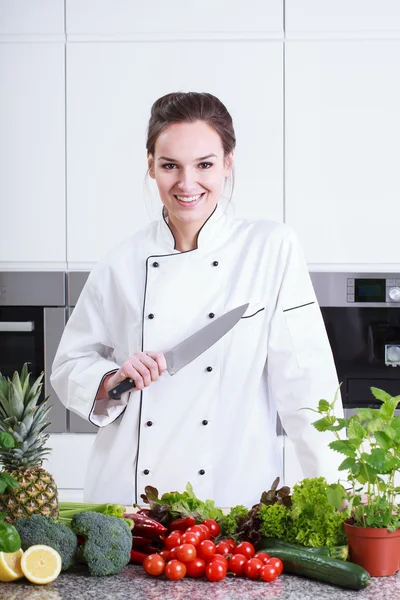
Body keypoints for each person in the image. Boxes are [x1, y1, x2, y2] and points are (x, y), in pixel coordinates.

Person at [51, 91, 344, 507]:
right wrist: (112, 379)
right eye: (170, 165)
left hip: (231, 496)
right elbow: (68, 366)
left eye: (204, 164)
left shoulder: (270, 248)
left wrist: (339, 500)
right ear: (150, 165)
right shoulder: (121, 262)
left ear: (227, 163)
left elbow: (306, 383)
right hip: (130, 501)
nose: (187, 184)